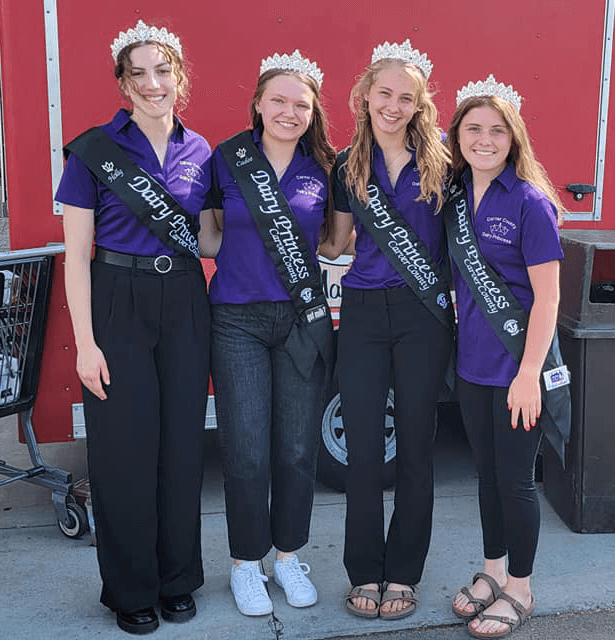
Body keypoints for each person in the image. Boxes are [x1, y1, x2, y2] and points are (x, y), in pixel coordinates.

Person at [56, 20, 213, 635]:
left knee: (180, 445)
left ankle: (177, 580)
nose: (153, 84)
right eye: (138, 73)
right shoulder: (94, 150)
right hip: (116, 297)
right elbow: (75, 256)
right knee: (123, 451)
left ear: (179, 76)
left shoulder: (201, 151)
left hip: (183, 296)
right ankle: (130, 590)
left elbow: (211, 234)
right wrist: (87, 343)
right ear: (123, 83)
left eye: (163, 71)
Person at [319, 40, 453, 619]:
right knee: (366, 449)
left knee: (418, 445)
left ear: (420, 103)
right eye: (384, 94)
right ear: (364, 96)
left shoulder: (445, 161)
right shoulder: (349, 163)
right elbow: (338, 242)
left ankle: (403, 572)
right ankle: (364, 572)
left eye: (406, 97)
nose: (393, 106)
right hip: (365, 313)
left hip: (424, 315)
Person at [207, 50, 335, 616]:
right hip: (235, 318)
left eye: (300, 104)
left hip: (300, 321)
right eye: (278, 100)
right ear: (258, 103)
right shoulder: (226, 158)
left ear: (312, 113)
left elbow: (334, 243)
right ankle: (245, 564)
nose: (289, 111)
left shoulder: (325, 170)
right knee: (247, 450)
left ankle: (286, 557)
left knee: (299, 447)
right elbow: (208, 235)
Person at [446, 75, 566, 639]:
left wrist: (527, 376)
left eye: (497, 130)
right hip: (471, 365)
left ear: (513, 138)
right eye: (473, 128)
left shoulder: (530, 202)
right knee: (488, 477)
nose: (485, 139)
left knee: (516, 481)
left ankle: (520, 587)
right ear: (458, 135)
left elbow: (549, 298)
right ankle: (493, 571)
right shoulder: (454, 197)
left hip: (517, 368)